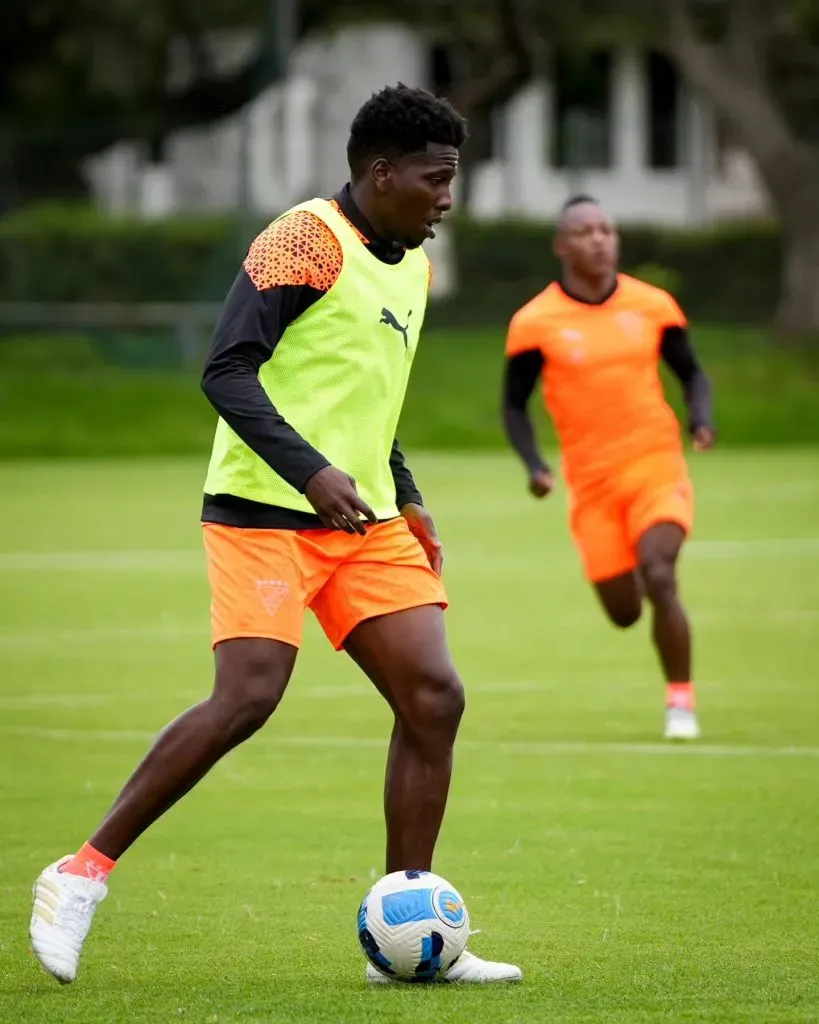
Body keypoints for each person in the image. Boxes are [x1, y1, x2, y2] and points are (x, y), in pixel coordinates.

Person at [30, 84, 521, 986]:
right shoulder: (302, 240)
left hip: (364, 522)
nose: (449, 195)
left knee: (434, 697)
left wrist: (402, 493)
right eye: (436, 176)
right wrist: (311, 473)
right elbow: (226, 370)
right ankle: (78, 875)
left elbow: (364, 396)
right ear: (382, 173)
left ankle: (406, 934)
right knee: (249, 694)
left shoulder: (409, 260)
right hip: (263, 511)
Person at [502, 195, 715, 741]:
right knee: (624, 611)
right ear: (561, 246)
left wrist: (700, 419)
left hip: (655, 465)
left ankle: (681, 704)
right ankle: (642, 614)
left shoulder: (654, 306)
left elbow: (692, 373)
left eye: (607, 229)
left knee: (661, 574)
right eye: (585, 231)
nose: (599, 239)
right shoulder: (535, 322)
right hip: (591, 484)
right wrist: (534, 465)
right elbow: (514, 404)